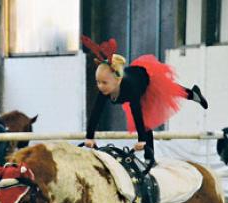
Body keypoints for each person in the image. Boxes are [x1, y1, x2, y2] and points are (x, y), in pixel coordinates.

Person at [81, 36, 208, 167]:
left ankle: (194, 94)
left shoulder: (130, 88)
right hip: (134, 76)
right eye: (98, 82)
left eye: (104, 82)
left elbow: (137, 113)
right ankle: (150, 158)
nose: (100, 86)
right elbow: (95, 113)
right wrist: (89, 137)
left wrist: (141, 139)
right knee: (147, 123)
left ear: (117, 80)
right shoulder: (105, 91)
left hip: (146, 78)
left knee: (169, 90)